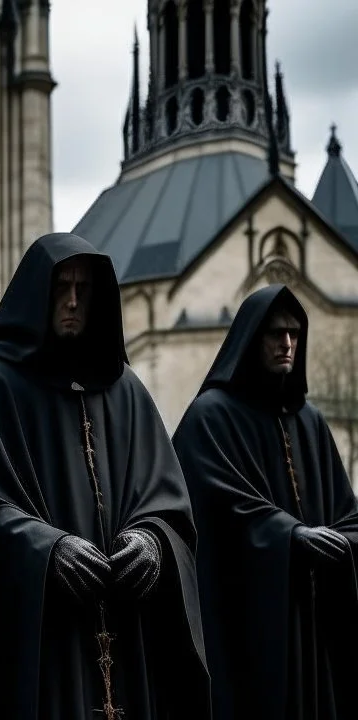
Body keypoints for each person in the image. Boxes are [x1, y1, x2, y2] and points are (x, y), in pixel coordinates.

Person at [0, 233, 208, 720]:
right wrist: (46, 549)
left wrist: (151, 541)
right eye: (63, 287)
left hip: (127, 639)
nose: (74, 302)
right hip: (39, 648)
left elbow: (169, 503)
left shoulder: (127, 394)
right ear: (38, 292)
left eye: (84, 288)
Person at [172, 285, 358, 720]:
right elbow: (217, 504)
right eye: (276, 333)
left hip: (310, 621)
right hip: (248, 619)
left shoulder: (309, 422)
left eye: (294, 333)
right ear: (253, 338)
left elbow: (346, 509)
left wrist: (344, 539)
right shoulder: (211, 416)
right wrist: (290, 535)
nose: (287, 344)